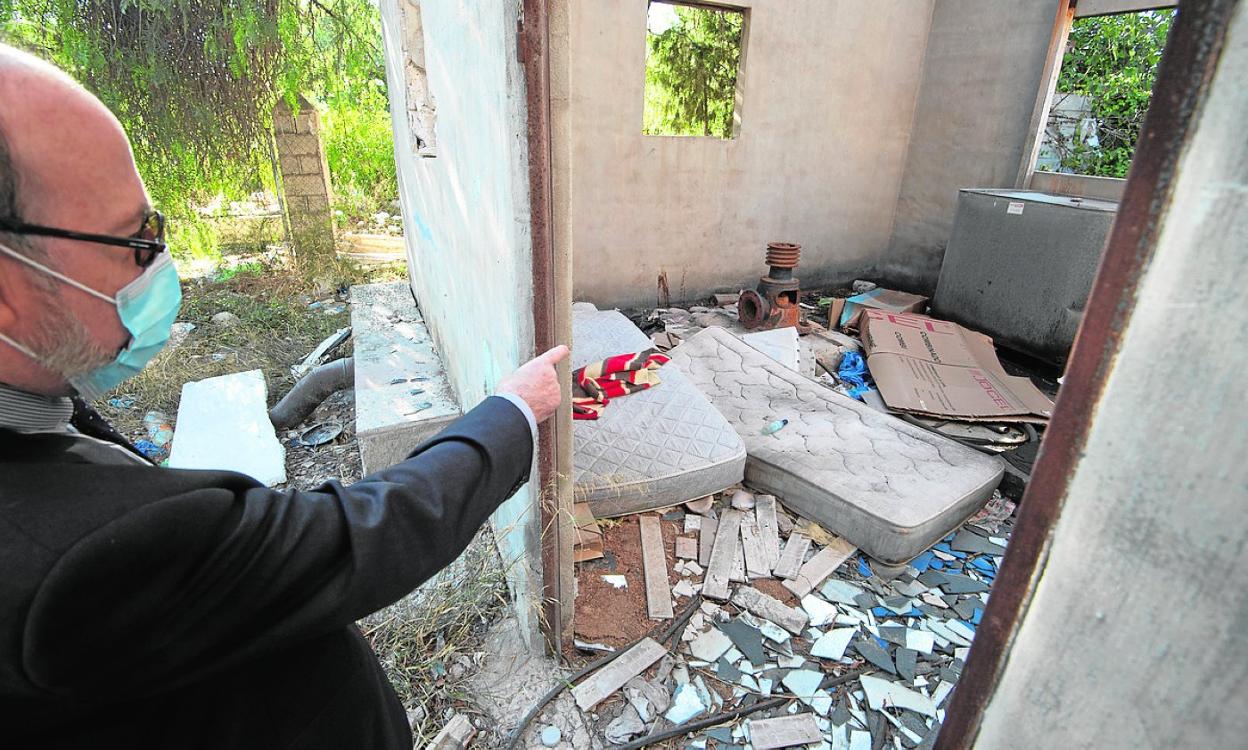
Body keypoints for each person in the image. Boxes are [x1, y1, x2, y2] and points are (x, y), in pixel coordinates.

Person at [0, 43, 568, 748]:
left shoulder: (33, 410)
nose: (161, 266)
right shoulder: (64, 559)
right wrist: (512, 410)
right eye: (136, 241)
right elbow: (357, 537)